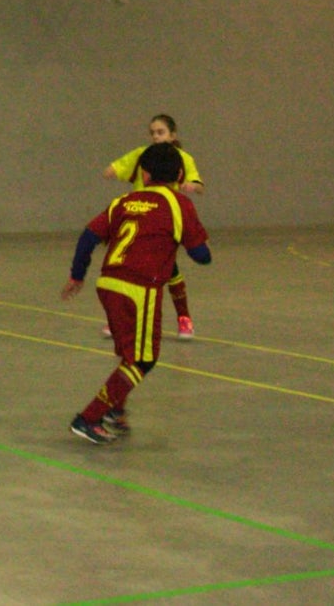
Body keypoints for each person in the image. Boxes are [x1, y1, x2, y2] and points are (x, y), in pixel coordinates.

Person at [62, 142, 212, 443]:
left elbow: (87, 238)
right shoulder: (178, 204)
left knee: (127, 353)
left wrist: (77, 275)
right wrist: (194, 244)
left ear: (143, 174)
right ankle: (88, 417)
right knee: (142, 360)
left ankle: (114, 413)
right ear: (180, 173)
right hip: (139, 289)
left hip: (107, 285)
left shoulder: (124, 202)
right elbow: (200, 255)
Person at [103, 114, 205, 340]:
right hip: (139, 218)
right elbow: (119, 166)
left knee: (170, 270)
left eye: (161, 132)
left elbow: (199, 186)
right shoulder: (142, 155)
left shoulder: (182, 158)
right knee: (127, 269)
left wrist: (191, 186)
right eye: (153, 133)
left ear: (173, 135)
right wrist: (112, 170)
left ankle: (184, 318)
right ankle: (119, 318)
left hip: (164, 221)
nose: (156, 137)